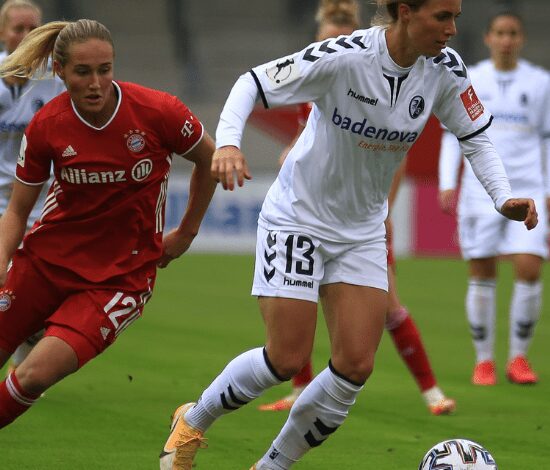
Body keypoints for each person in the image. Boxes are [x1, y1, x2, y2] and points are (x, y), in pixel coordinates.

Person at [160, 1, 537, 468]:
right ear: (405, 12)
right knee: (286, 358)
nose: (452, 29)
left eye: (455, 17)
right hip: (299, 216)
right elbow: (251, 84)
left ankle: (271, 466)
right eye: (442, 17)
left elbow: (475, 136)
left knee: (355, 366)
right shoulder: (344, 56)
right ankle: (193, 419)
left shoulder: (445, 69)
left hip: (361, 230)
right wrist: (231, 143)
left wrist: (503, 197)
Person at [0, 18, 217, 429]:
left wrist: (187, 232)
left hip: (118, 280)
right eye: (83, 72)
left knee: (33, 374)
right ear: (61, 72)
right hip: (45, 263)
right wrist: (2, 259)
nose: (96, 82)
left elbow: (208, 160)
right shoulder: (47, 125)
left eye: (105, 69)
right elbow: (16, 211)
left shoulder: (159, 112)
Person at [258, 0, 455, 416]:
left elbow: (390, 158)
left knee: (388, 306)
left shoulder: (371, 84)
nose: (328, 50)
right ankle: (300, 388)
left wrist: (383, 214)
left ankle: (431, 390)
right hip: (314, 213)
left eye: (336, 41)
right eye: (322, 41)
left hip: (363, 219)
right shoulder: (314, 89)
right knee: (299, 300)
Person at [438, 11, 549, 386]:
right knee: (481, 271)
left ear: (521, 39)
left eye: (512, 33)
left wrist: (547, 189)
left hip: (529, 186)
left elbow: (547, 139)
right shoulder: (472, 78)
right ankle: (483, 361)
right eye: (499, 32)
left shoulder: (540, 83)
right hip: (478, 189)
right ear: (488, 37)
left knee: (530, 268)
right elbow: (452, 133)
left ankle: (519, 357)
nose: (506, 39)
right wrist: (446, 181)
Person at [0, 0, 66, 375]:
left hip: (39, 206)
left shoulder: (57, 81)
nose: (25, 37)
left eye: (33, 30)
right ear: (2, 33)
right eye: (17, 29)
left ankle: (20, 372)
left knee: (38, 302)